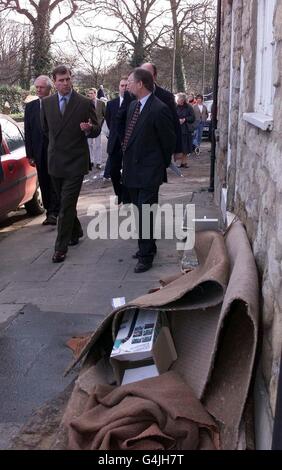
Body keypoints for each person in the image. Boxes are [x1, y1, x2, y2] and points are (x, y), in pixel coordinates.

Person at [41, 65, 100, 263]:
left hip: (76, 162)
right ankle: (76, 231)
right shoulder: (47, 103)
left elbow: (96, 129)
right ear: (54, 83)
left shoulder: (83, 102)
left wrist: (89, 129)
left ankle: (60, 248)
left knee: (65, 206)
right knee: (66, 202)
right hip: (56, 162)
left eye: (67, 79)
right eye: (61, 80)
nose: (65, 83)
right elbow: (45, 130)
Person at [123, 68, 176, 273]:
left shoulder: (159, 108)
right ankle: (148, 247)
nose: (127, 84)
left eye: (130, 81)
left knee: (145, 213)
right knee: (138, 211)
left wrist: (157, 165)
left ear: (140, 84)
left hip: (149, 171)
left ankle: (145, 257)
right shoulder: (133, 106)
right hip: (132, 171)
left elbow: (168, 141)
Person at [24, 75, 59, 225]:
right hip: (39, 152)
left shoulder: (57, 103)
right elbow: (28, 131)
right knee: (44, 182)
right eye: (36, 87)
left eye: (41, 87)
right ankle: (50, 213)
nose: (38, 90)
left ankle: (59, 210)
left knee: (56, 181)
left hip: (56, 151)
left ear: (49, 89)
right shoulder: (31, 107)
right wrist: (30, 154)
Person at [103, 77, 131, 203]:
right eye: (122, 85)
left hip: (130, 142)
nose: (124, 87)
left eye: (126, 85)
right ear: (118, 87)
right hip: (114, 142)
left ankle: (126, 196)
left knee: (128, 171)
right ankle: (119, 193)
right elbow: (109, 122)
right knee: (114, 171)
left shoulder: (134, 103)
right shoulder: (111, 104)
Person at [87, 88, 106, 170]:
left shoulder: (101, 103)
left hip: (98, 127)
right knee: (89, 145)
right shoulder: (86, 102)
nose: (89, 95)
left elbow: (105, 115)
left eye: (91, 93)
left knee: (98, 145)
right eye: (89, 93)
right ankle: (91, 161)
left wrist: (101, 125)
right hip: (89, 127)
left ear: (95, 94)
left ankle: (98, 162)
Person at [176, 93, 195, 168]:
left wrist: (185, 119)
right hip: (178, 129)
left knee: (185, 147)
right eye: (177, 99)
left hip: (186, 129)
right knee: (179, 146)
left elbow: (192, 117)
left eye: (179, 99)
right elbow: (172, 116)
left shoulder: (189, 107)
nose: (178, 100)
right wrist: (177, 120)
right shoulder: (176, 107)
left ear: (183, 100)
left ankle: (184, 162)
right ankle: (181, 162)